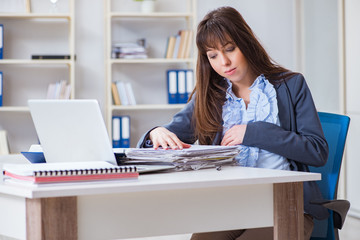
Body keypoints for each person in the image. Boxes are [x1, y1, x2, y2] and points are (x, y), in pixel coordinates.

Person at [137, 6, 329, 240]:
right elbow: (171, 134)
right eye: (213, 55)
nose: (224, 62)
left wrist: (255, 133)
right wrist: (155, 133)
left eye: (230, 49)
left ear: (245, 42)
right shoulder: (210, 95)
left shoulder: (291, 85)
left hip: (288, 204)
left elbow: (317, 151)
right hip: (232, 204)